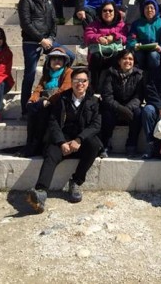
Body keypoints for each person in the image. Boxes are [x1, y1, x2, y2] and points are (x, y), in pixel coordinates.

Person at [26, 68, 103, 214]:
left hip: (82, 140)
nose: (80, 84)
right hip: (63, 139)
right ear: (71, 82)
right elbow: (53, 122)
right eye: (77, 80)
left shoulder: (94, 101)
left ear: (88, 83)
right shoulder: (62, 98)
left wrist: (79, 139)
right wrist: (61, 142)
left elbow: (96, 125)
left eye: (83, 81)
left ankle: (76, 182)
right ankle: (41, 192)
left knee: (94, 145)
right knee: (51, 153)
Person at [18, 0, 58, 117]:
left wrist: (52, 38)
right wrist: (41, 39)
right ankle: (25, 109)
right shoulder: (25, 0)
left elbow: (53, 21)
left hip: (48, 40)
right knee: (29, 74)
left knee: (69, 55)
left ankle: (52, 93)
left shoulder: (48, 0)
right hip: (31, 41)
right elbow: (26, 23)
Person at [22, 47, 73, 156]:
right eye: (54, 58)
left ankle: (34, 145)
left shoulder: (68, 72)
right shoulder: (47, 74)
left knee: (41, 111)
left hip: (60, 103)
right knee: (32, 110)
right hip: (46, 102)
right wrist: (32, 100)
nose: (57, 61)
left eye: (60, 58)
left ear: (64, 61)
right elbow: (38, 89)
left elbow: (64, 90)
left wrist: (48, 101)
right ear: (49, 61)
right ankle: (31, 143)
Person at [100, 49, 145, 157]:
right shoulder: (110, 74)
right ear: (119, 61)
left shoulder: (139, 75)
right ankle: (106, 145)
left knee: (138, 112)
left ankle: (131, 145)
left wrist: (127, 108)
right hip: (114, 108)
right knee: (106, 113)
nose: (128, 61)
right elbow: (107, 97)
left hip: (130, 109)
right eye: (125, 58)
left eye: (130, 59)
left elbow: (139, 97)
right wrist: (120, 109)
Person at [83, 1, 128, 92]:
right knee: (95, 57)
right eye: (105, 10)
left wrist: (114, 36)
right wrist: (99, 38)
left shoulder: (121, 25)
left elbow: (125, 38)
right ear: (101, 12)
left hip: (114, 53)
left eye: (110, 11)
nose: (108, 13)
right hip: (98, 54)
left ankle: (112, 87)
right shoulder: (94, 24)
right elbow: (87, 36)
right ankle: (94, 87)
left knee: (117, 56)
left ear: (115, 12)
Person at [127, 0, 161, 71]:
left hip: (157, 51)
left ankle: (154, 75)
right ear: (143, 10)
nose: (149, 10)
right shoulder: (136, 23)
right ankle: (140, 74)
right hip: (140, 50)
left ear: (156, 9)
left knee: (153, 55)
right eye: (147, 8)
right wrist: (134, 44)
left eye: (152, 8)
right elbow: (131, 38)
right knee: (138, 55)